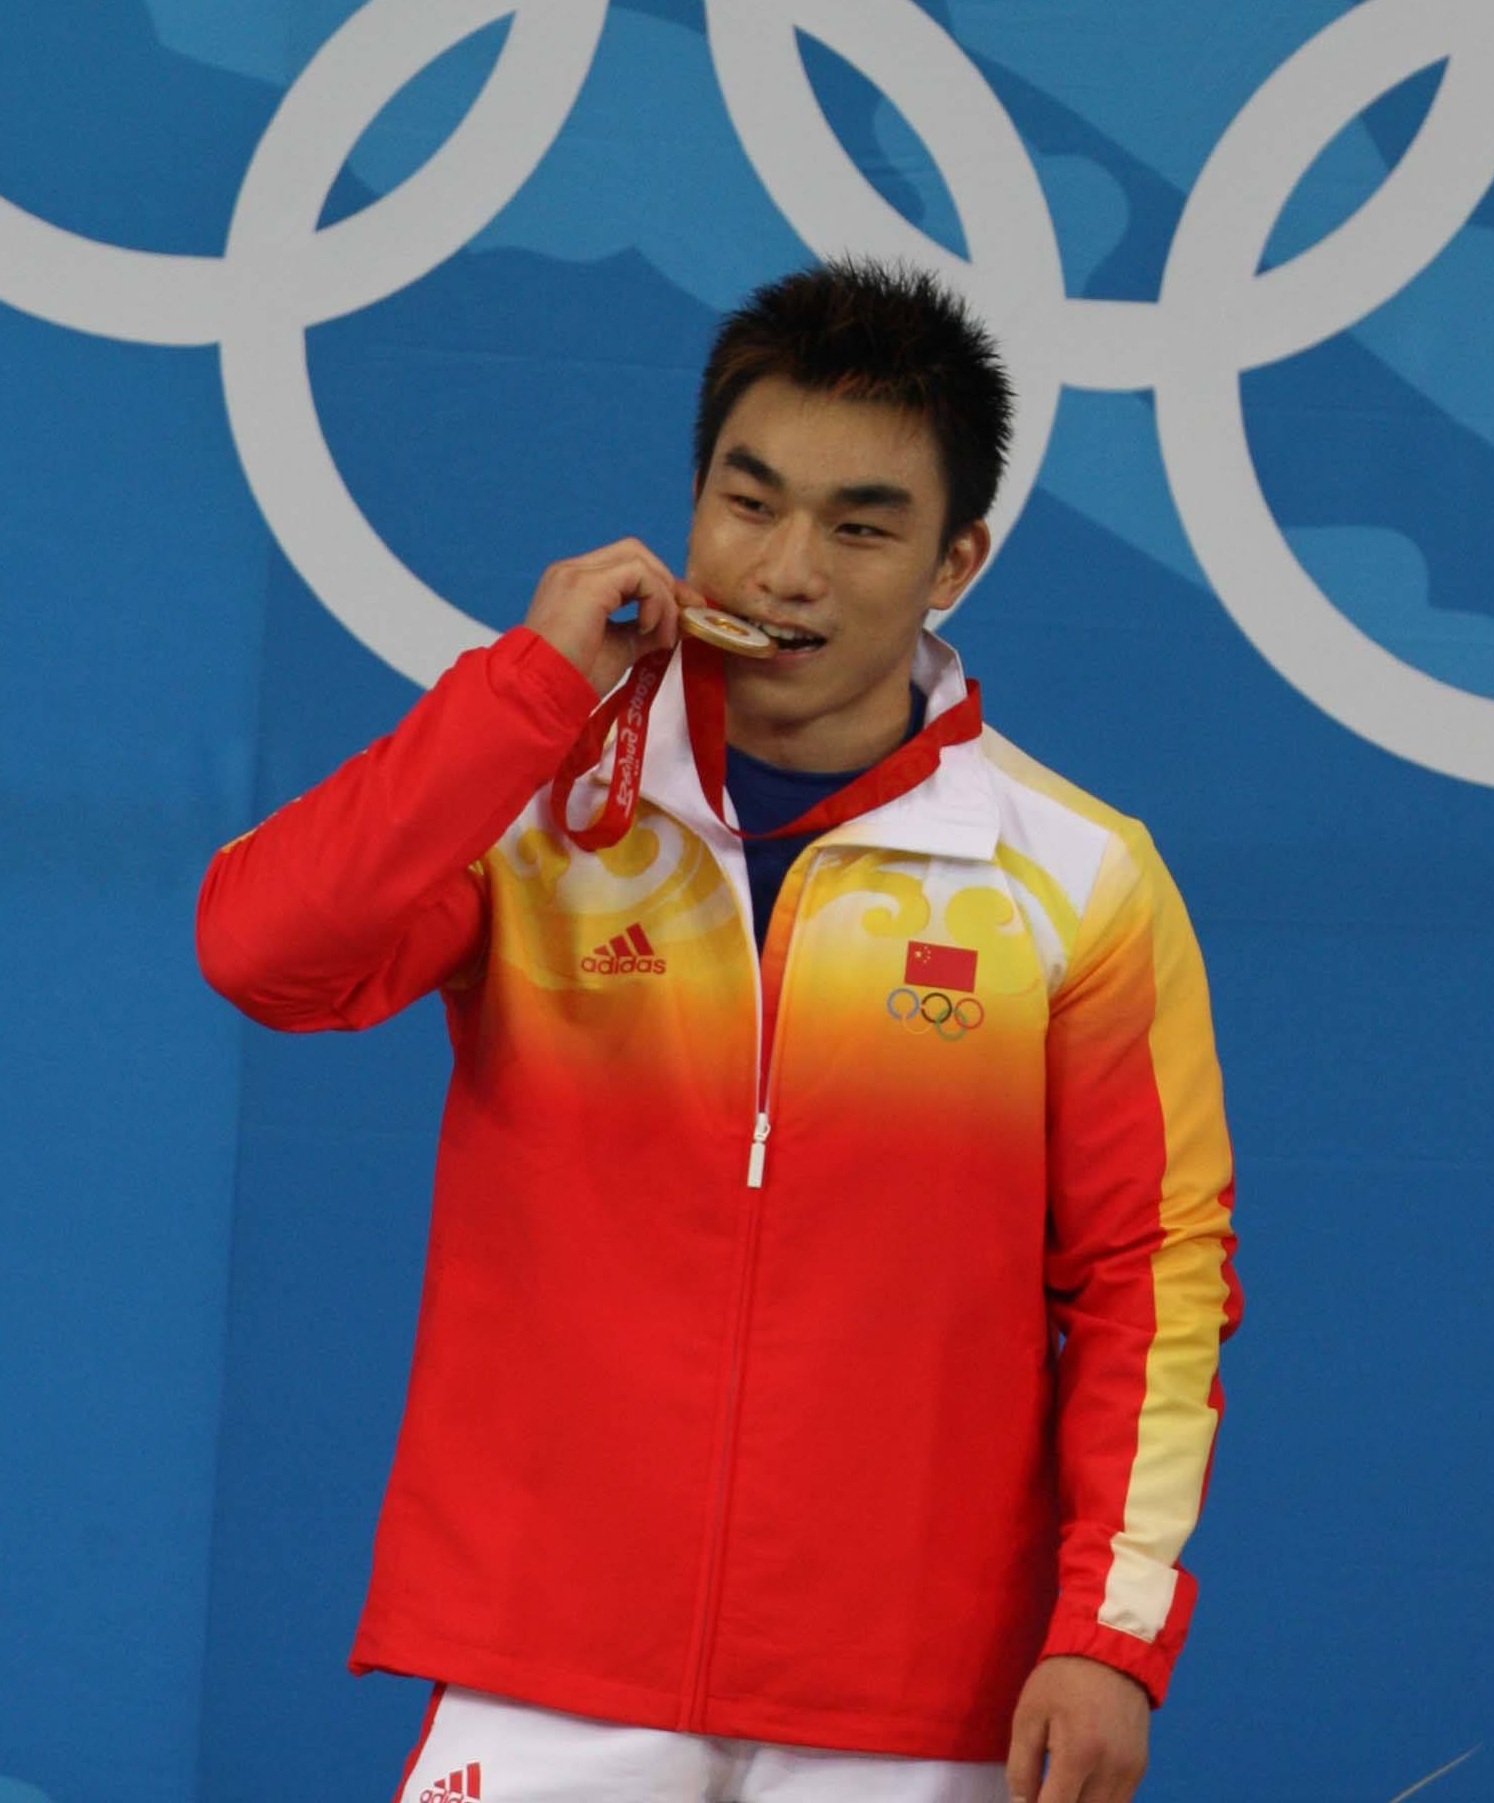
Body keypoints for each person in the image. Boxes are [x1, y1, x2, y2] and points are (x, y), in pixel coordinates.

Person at [197, 259, 1239, 1803]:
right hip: (545, 1659)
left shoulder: (1077, 877)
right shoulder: (531, 804)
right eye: (748, 505)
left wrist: (1107, 1635)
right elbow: (264, 953)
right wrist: (525, 690)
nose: (787, 571)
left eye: (860, 527)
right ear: (690, 505)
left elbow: (1152, 1277)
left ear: (955, 559)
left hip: (907, 1695)